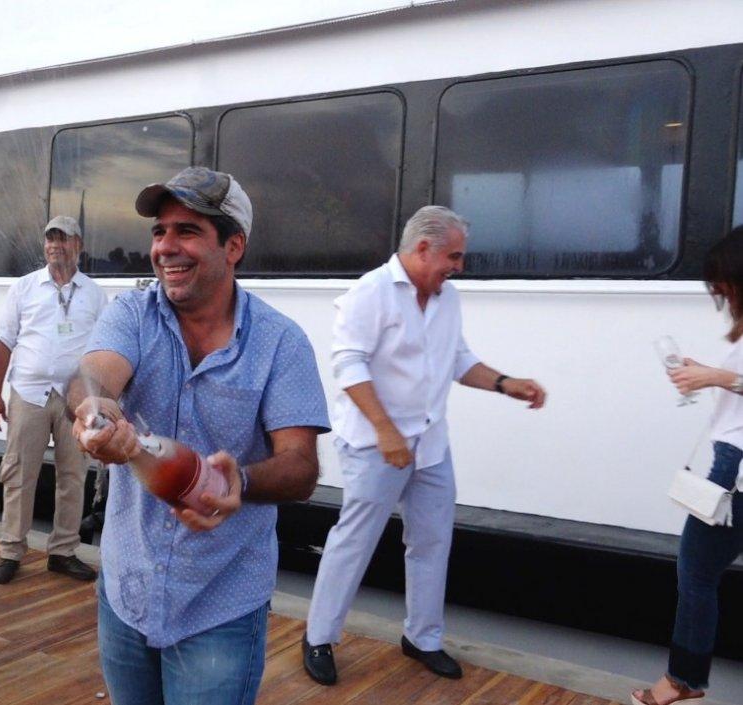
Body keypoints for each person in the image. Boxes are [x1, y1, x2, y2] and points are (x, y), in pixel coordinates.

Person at [71, 167, 329, 704]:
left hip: (220, 606)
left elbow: (302, 466)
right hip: (127, 594)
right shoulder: (132, 314)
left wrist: (244, 481)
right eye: (160, 231)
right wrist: (97, 407)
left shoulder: (281, 343)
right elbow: (95, 373)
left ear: (234, 246)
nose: (166, 247)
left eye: (187, 231)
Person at [302, 206, 547, 686]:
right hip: (377, 445)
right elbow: (348, 365)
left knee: (433, 539)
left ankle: (423, 638)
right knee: (354, 541)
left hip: (431, 443)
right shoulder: (370, 293)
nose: (458, 265)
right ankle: (319, 637)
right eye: (453, 256)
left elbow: (458, 358)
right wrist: (386, 431)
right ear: (421, 249)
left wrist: (504, 383)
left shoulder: (446, 297)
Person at [631, 227, 743, 705]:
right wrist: (710, 375)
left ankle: (681, 683)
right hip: (730, 463)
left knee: (696, 572)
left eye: (721, 282)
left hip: (735, 470)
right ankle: (685, 681)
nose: (717, 292)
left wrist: (715, 376)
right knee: (700, 571)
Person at [0, 215, 106, 585]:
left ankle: (63, 551)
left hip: (76, 400)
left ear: (79, 245)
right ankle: (10, 550)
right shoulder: (23, 288)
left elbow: (106, 349)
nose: (55, 244)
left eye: (64, 238)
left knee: (73, 476)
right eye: (50, 238)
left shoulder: (95, 293)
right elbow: (4, 343)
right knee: (20, 475)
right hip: (28, 394)